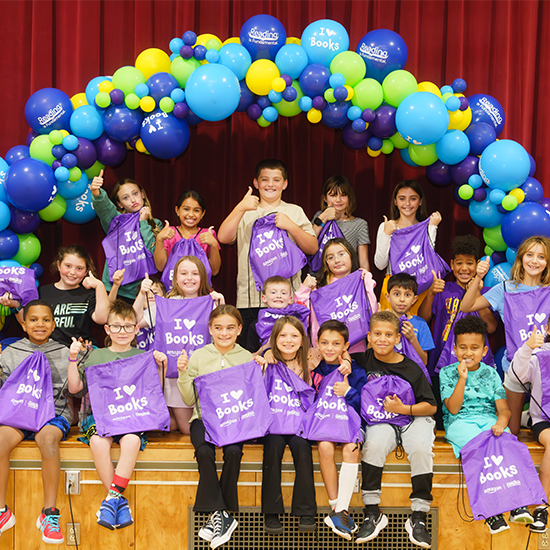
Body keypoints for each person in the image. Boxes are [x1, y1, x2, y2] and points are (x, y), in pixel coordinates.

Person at [67, 300, 167, 531]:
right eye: (116, 327)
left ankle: (112, 498)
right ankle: (118, 501)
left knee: (131, 440)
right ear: (107, 329)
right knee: (97, 441)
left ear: (136, 330)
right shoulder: (94, 356)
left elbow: (154, 392)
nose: (122, 332)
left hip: (131, 416)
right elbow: (74, 389)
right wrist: (73, 359)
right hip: (100, 417)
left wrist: (160, 366)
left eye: (128, 327)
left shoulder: (144, 356)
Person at [440, 315, 534, 534]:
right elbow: (453, 408)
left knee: (510, 445)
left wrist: (502, 424)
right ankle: (491, 514)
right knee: (481, 449)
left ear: (484, 351)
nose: (468, 352)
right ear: (455, 349)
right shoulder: (447, 373)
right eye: (463, 347)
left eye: (474, 348)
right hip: (459, 423)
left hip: (488, 421)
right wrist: (461, 379)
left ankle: (518, 505)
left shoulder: (490, 373)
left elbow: (504, 410)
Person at [217, 159, 318, 348]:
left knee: (288, 353)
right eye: (265, 179)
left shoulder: (294, 211)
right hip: (251, 300)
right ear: (256, 183)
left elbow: (312, 247)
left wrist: (291, 226)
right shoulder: (245, 210)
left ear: (285, 184)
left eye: (276, 180)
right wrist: (240, 207)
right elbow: (223, 237)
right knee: (253, 357)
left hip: (288, 299)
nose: (270, 184)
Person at [358, 311, 437, 548]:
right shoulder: (362, 360)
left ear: (397, 339)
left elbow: (431, 406)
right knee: (373, 445)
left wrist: (405, 408)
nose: (383, 339)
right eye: (378, 334)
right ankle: (372, 511)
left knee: (421, 448)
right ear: (369, 337)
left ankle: (419, 516)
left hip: (411, 416)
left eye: (389, 335)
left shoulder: (411, 367)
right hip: (383, 421)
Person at [177, 305, 253, 549]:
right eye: (218, 328)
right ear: (210, 329)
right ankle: (223, 513)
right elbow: (189, 400)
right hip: (203, 419)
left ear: (239, 329)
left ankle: (218, 516)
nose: (224, 333)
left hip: (234, 420)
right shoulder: (199, 356)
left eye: (230, 328)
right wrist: (182, 373)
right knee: (204, 451)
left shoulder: (247, 357)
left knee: (233, 452)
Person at [460, 235, 550, 435]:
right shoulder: (505, 289)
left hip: (545, 368)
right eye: (530, 255)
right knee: (513, 429)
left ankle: (532, 417)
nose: (535, 261)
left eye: (541, 257)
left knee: (544, 422)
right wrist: (477, 277)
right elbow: (467, 306)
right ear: (520, 258)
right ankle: (525, 418)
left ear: (547, 262)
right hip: (515, 367)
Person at [0, 300, 72, 544]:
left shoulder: (64, 352)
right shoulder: (10, 353)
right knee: (0, 441)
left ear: (53, 325)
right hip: (19, 413)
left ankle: (49, 514)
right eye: (33, 319)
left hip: (53, 415)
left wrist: (76, 361)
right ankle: (2, 512)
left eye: (45, 320)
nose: (39, 324)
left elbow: (76, 392)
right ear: (23, 324)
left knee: (49, 440)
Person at [133, 258, 224, 435]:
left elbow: (226, 334)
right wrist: (141, 294)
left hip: (204, 376)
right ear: (175, 278)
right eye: (183, 273)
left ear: (202, 277)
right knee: (186, 429)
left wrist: (222, 305)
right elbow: (135, 322)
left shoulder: (212, 302)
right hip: (174, 377)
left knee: (197, 426)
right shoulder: (165, 304)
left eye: (195, 273)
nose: (189, 278)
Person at [256, 316, 317, 534]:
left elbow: (339, 354)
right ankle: (271, 513)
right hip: (272, 425)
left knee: (303, 449)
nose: (288, 340)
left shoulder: (312, 360)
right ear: (274, 339)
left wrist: (346, 361)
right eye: (282, 335)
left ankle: (307, 512)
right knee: (272, 449)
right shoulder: (266, 361)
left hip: (300, 424)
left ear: (303, 340)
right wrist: (266, 351)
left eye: (294, 335)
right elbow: (252, 358)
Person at [312, 320, 366, 540]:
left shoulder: (356, 370)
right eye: (324, 342)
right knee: (324, 446)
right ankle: (337, 508)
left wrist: (349, 391)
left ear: (346, 346)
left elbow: (365, 404)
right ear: (316, 343)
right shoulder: (314, 369)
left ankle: (339, 510)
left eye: (336, 343)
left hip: (350, 424)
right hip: (324, 424)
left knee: (351, 449)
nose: (329, 348)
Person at [3, 244, 110, 348]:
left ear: (86, 271)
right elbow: (27, 323)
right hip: (49, 354)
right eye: (68, 266)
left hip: (80, 354)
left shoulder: (88, 294)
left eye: (79, 268)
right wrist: (16, 306)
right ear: (59, 265)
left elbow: (102, 318)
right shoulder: (42, 292)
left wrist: (99, 286)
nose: (72, 272)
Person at [90, 171, 162, 302]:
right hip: (115, 290)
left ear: (143, 194)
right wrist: (96, 192)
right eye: (126, 198)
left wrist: (143, 223)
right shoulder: (116, 221)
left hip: (142, 290)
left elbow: (153, 252)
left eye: (135, 194)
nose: (133, 200)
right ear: (120, 204)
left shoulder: (156, 224)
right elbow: (104, 207)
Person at [374, 180, 441, 315]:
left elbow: (428, 261)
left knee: (415, 331)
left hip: (419, 287)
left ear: (420, 201)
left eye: (413, 199)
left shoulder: (427, 227)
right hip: (393, 287)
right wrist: (387, 234)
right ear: (395, 202)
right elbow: (380, 265)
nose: (407, 204)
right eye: (402, 198)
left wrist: (433, 228)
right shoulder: (387, 226)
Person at [310, 238, 377, 366]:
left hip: (359, 349)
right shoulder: (320, 289)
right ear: (326, 263)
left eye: (341, 254)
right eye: (330, 257)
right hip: (329, 353)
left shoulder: (362, 279)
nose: (337, 260)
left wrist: (367, 280)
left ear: (351, 255)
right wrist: (317, 345)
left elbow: (371, 310)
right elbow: (315, 323)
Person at [509, 323, 550, 533]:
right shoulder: (539, 355)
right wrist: (526, 347)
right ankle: (541, 507)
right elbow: (516, 376)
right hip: (544, 419)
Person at [154, 190, 221, 277]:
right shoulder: (169, 233)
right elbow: (160, 267)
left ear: (202, 213)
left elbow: (214, 271)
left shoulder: (208, 234)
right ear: (177, 210)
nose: (191, 214)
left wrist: (214, 245)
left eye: (196, 210)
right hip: (173, 288)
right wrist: (159, 239)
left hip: (199, 289)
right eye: (186, 209)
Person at [311, 174, 370, 270]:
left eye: (343, 195)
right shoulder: (319, 217)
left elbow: (363, 262)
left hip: (345, 279)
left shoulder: (359, 224)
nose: (338, 200)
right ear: (325, 198)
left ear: (349, 197)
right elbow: (309, 242)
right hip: (319, 277)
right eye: (333, 195)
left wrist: (366, 282)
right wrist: (324, 216)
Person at [247, 275, 312, 354]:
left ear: (290, 299)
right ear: (264, 298)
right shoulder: (255, 325)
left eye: (283, 293)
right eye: (273, 292)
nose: (279, 296)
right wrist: (265, 350)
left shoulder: (297, 318)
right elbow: (250, 357)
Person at [385, 273, 435, 367]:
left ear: (414, 299)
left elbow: (424, 362)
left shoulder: (421, 324)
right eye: (397, 294)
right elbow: (372, 352)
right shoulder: (382, 322)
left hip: (411, 378)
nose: (402, 299)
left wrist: (412, 339)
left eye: (407, 294)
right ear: (388, 297)